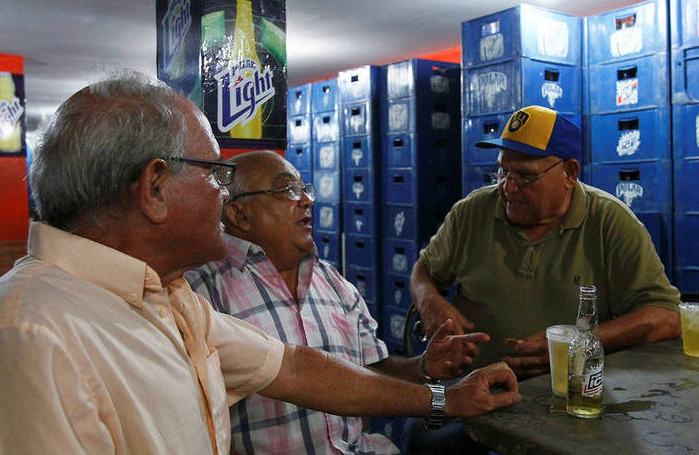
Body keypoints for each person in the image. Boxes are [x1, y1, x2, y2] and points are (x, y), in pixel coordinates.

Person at [0, 73, 522, 454]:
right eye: (214, 175)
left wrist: (443, 399)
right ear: (154, 188)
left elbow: (292, 367)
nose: (224, 194)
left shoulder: (166, 300)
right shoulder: (29, 335)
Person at [187, 150, 491, 454]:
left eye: (305, 189)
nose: (306, 201)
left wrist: (423, 366)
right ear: (239, 215)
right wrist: (443, 401)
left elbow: (371, 371)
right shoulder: (205, 292)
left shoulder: (333, 282)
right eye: (287, 191)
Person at [410, 105, 682, 380]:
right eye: (503, 171)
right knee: (423, 422)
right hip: (467, 394)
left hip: (570, 399)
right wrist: (429, 300)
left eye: (526, 176)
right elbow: (423, 271)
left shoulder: (609, 222)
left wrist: (577, 342)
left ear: (570, 173)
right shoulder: (471, 212)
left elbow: (666, 317)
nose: (508, 187)